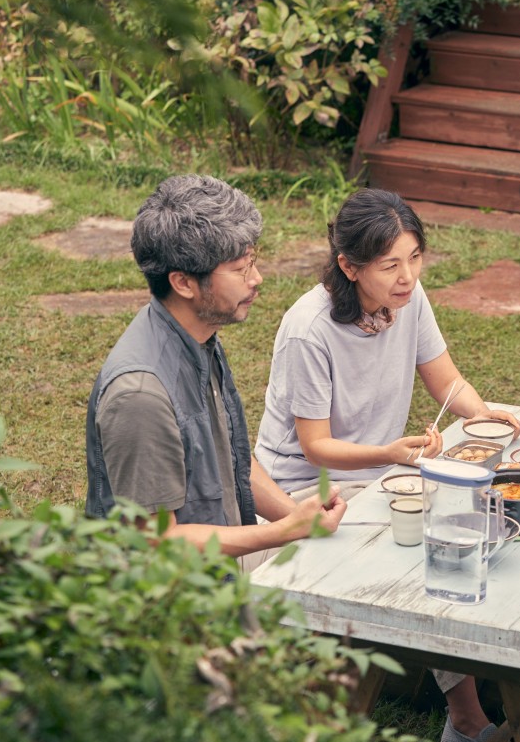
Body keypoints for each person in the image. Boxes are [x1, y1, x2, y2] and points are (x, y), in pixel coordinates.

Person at [254, 188, 518, 742]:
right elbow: (316, 445)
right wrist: (391, 454)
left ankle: (467, 715)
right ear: (349, 266)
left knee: (457, 528)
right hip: (304, 486)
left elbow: (444, 377)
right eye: (390, 264)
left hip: (381, 472)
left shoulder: (409, 298)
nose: (407, 276)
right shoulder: (309, 328)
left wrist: (482, 413)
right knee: (429, 542)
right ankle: (461, 720)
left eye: (415, 257)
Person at [85, 174, 346, 571]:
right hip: (165, 615)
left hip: (215, 580)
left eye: (253, 262)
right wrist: (285, 530)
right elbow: (156, 542)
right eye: (240, 269)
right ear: (184, 283)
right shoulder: (139, 397)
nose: (256, 280)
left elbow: (232, 458)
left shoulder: (196, 335)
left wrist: (297, 515)